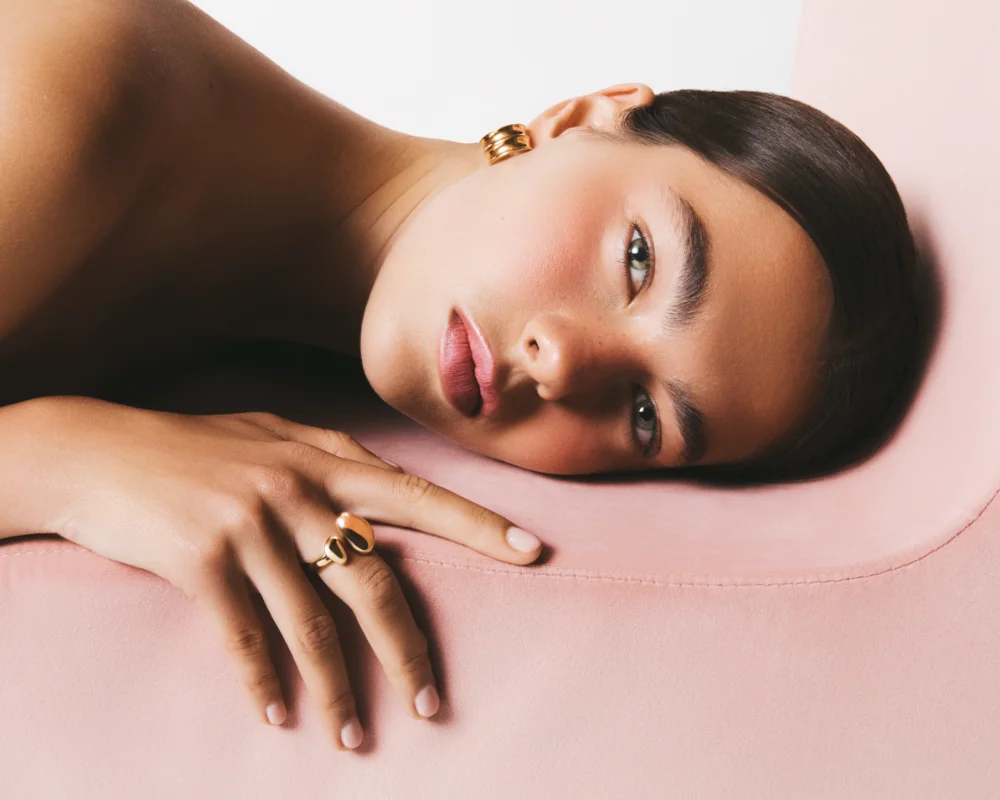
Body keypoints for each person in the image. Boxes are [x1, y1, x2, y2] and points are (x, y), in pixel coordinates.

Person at [0, 0, 925, 754]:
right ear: (577, 120)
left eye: (645, 415)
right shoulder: (77, 98)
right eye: (639, 260)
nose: (564, 363)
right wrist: (62, 462)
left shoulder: (270, 335)